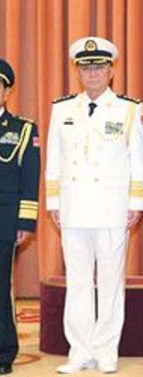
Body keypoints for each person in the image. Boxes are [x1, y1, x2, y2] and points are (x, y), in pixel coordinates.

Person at [45, 37, 143, 374]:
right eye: (86, 67)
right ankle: (80, 351)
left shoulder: (129, 109)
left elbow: (138, 160)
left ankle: (105, 350)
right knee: (77, 281)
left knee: (110, 281)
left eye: (99, 66)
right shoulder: (61, 109)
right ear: (78, 71)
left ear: (111, 71)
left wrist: (136, 203)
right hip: (73, 209)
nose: (93, 73)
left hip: (112, 208)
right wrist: (54, 202)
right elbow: (54, 159)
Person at [0, 59, 40, 375]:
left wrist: (25, 221)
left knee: (1, 287)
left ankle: (3, 351)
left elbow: (30, 178)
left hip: (4, 220)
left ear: (6, 91)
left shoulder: (23, 129)